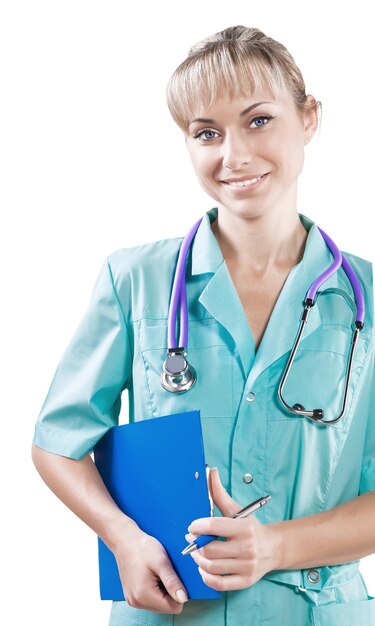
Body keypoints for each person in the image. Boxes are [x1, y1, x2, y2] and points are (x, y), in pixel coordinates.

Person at [31, 24, 375, 626]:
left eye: (258, 120)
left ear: (310, 117)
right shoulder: (133, 280)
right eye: (206, 133)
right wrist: (122, 539)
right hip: (170, 609)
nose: (233, 155)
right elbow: (59, 443)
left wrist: (275, 548)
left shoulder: (364, 298)